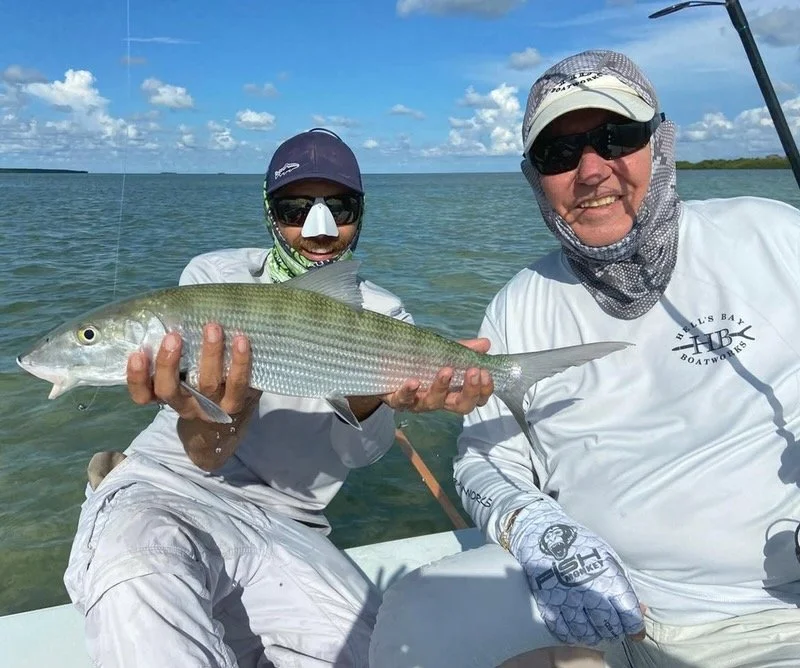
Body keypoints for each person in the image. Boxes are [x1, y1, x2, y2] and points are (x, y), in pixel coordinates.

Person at [369, 51, 800, 667]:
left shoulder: (774, 236)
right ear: (533, 177)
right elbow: (485, 458)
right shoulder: (517, 305)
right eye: (559, 154)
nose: (592, 171)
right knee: (420, 613)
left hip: (778, 616)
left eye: (616, 137)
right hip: (596, 610)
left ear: (662, 143)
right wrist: (535, 527)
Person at [63, 127, 494, 667]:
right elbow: (206, 455)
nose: (319, 230)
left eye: (339, 207)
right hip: (171, 486)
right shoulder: (213, 280)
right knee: (140, 576)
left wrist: (374, 394)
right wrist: (228, 403)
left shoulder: (386, 316)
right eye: (295, 209)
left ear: (361, 212)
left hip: (291, 523)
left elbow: (362, 454)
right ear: (270, 212)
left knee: (373, 654)